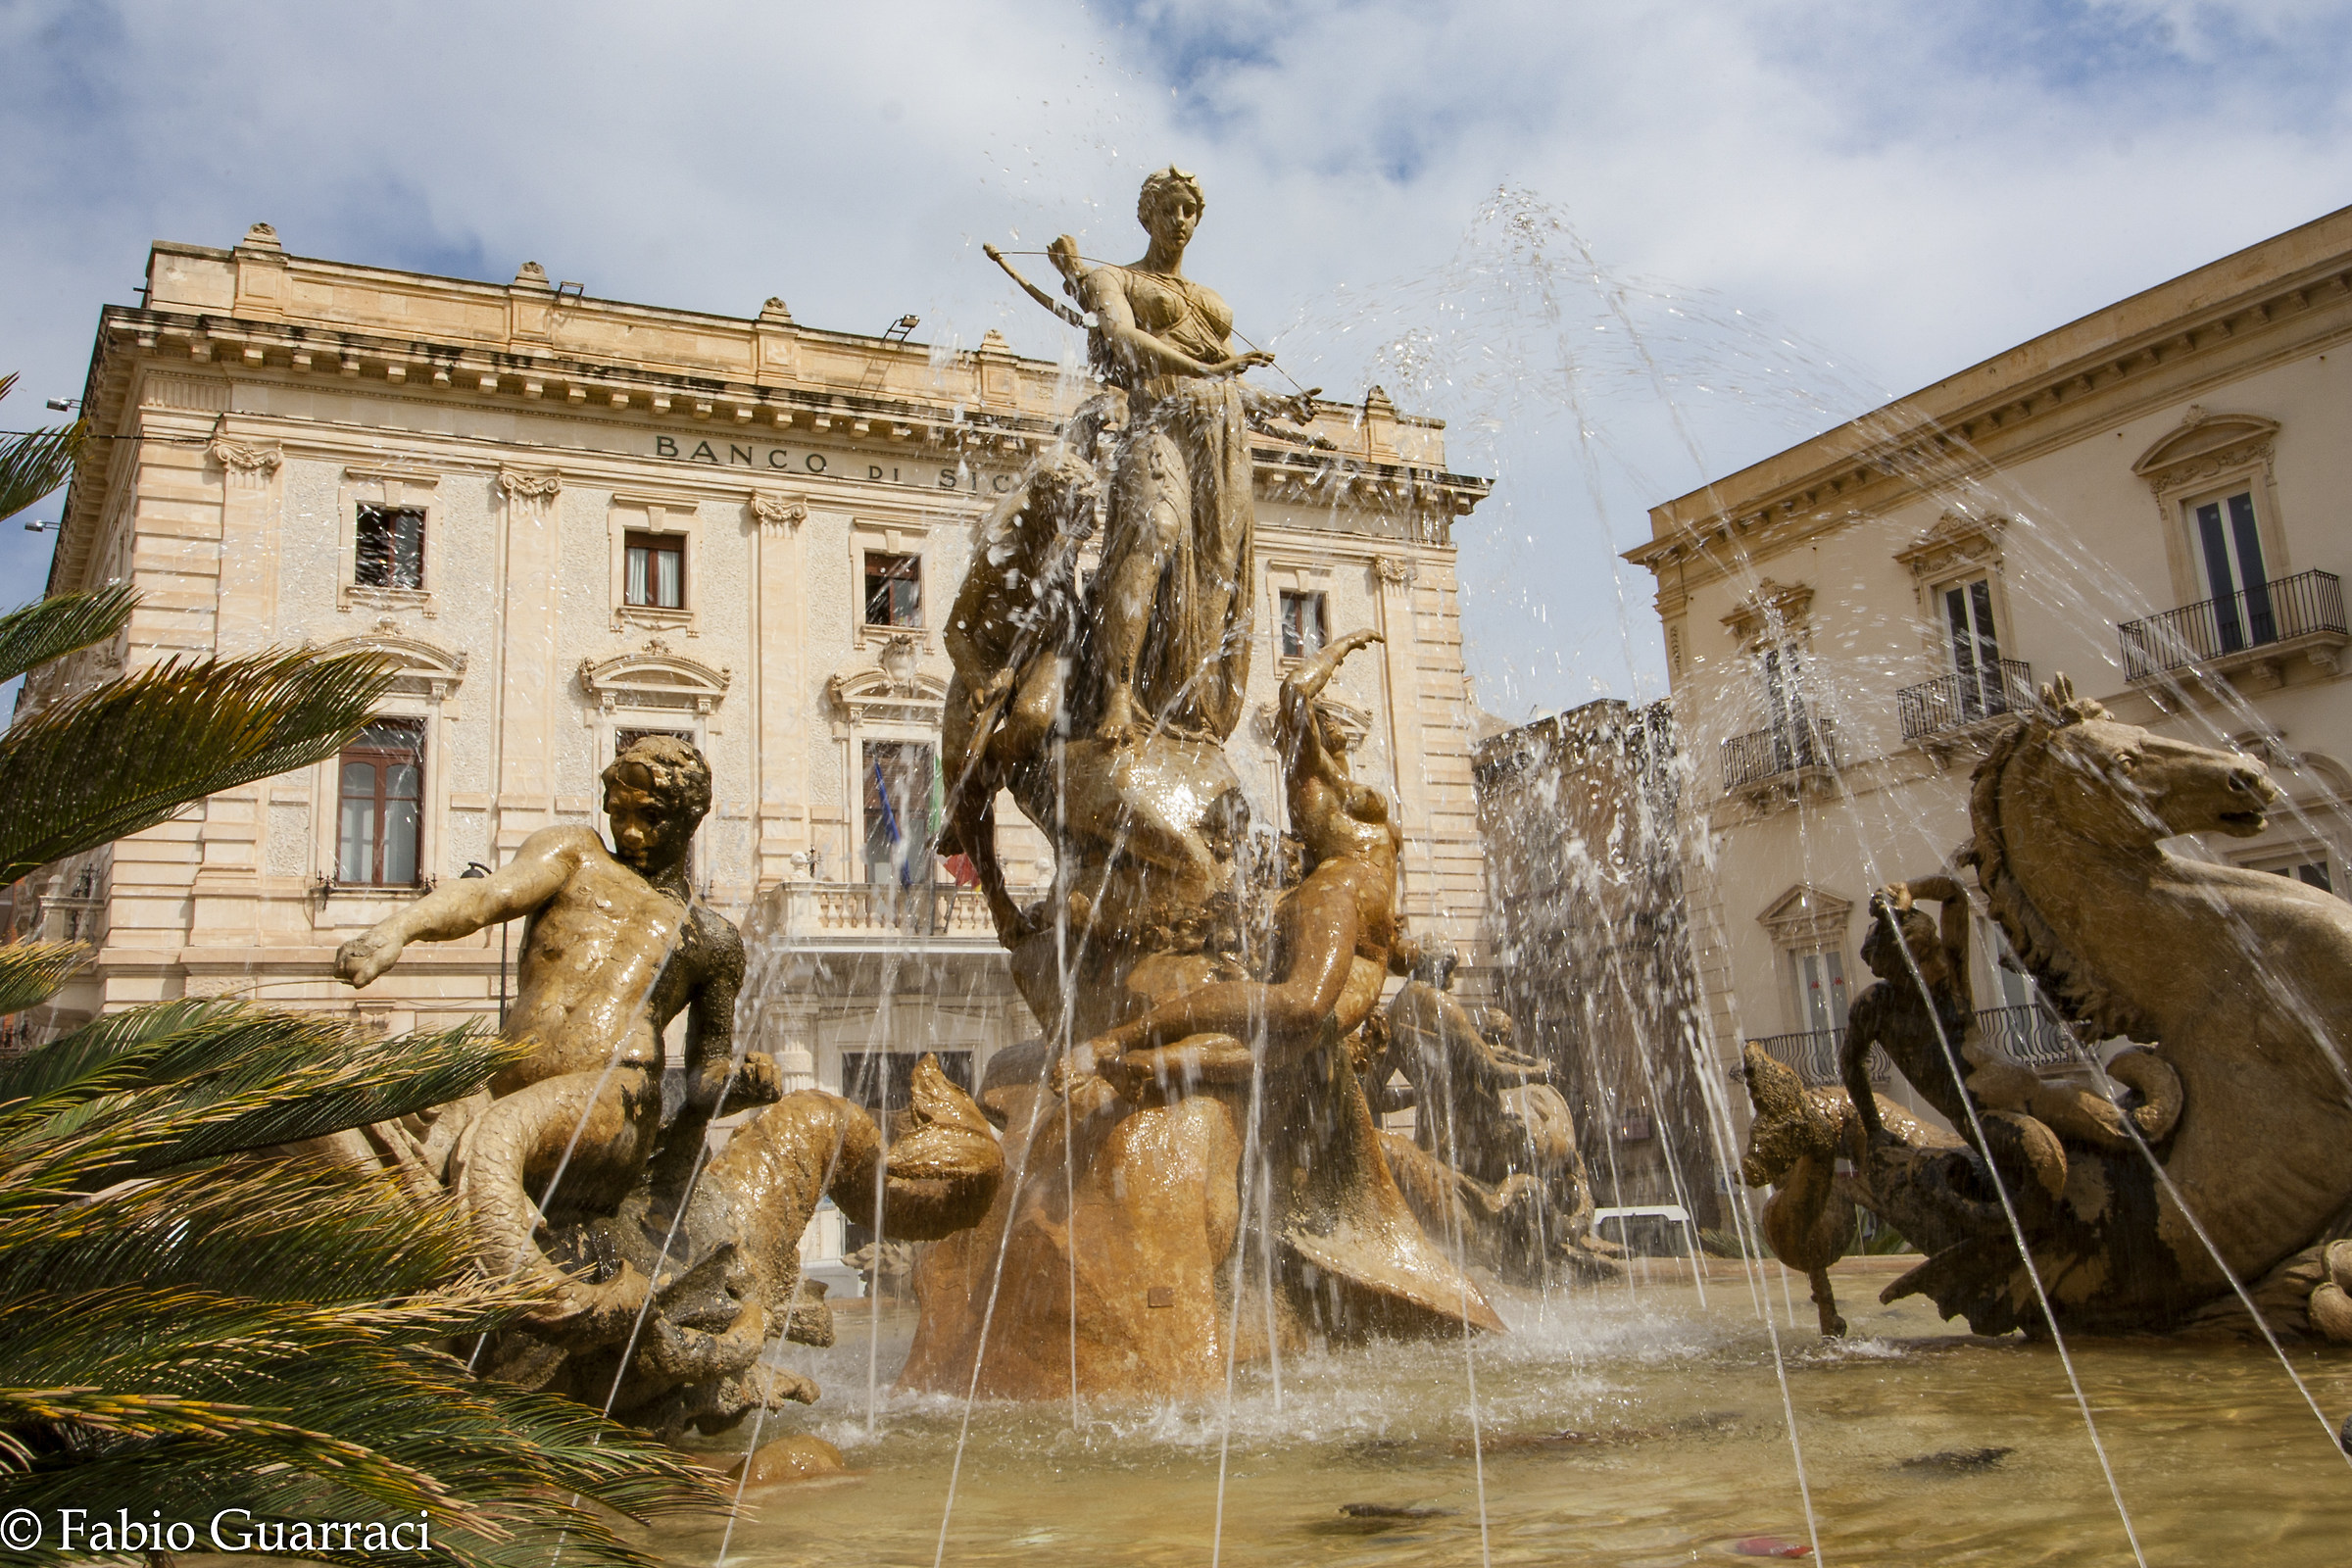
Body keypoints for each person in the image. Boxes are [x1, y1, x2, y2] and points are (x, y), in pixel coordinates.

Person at [335, 736, 775, 1309]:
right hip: (503, 1078)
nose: (631, 834)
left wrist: (741, 1082)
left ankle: (538, 1292)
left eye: (652, 818)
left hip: (613, 1099)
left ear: (692, 816)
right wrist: (400, 928)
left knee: (498, 1138)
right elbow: (485, 897)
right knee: (356, 1106)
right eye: (619, 814)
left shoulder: (713, 939)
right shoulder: (573, 854)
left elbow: (702, 1078)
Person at [1079, 627, 1398, 1093]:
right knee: (1302, 1006)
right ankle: (1121, 1039)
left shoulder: (1347, 784)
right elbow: (1293, 693)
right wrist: (1339, 649)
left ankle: (1158, 1064)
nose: (1338, 733)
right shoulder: (1316, 779)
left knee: (1301, 1041)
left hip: (1375, 935)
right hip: (1338, 896)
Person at [1066, 167, 1314, 744]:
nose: (1181, 221)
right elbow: (1125, 341)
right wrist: (1204, 368)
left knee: (1214, 575)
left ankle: (1188, 708)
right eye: (1170, 208)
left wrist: (1281, 411)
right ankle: (1119, 696)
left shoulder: (1207, 300)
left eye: (1190, 211)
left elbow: (1228, 383)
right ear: (1145, 214)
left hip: (1222, 441)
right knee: (1155, 528)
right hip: (1156, 423)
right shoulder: (1116, 279)